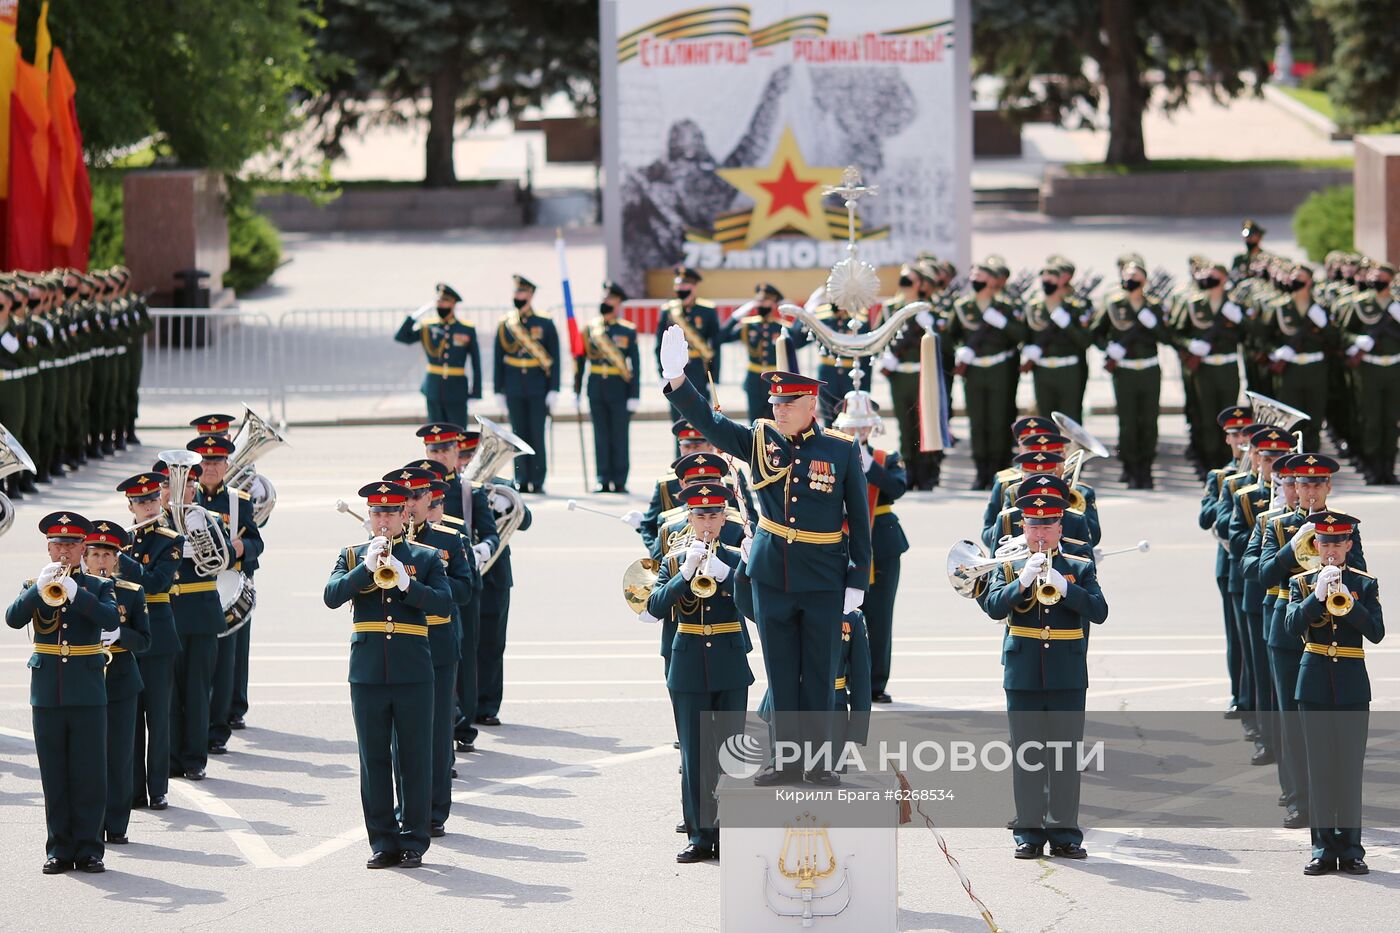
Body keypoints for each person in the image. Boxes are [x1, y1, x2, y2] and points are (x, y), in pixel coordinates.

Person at [661, 327, 871, 786]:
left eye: (787, 405)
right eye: (774, 404)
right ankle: (784, 760)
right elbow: (712, 425)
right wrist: (678, 380)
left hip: (823, 577)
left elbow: (859, 518)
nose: (778, 411)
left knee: (817, 673)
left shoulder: (838, 449)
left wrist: (858, 581)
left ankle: (818, 763)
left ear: (810, 405)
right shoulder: (760, 441)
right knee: (780, 671)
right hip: (772, 573)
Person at [324, 481, 453, 869]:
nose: (383, 520)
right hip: (367, 673)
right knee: (373, 759)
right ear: (369, 516)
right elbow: (331, 595)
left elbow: (444, 605)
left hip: (413, 670)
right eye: (376, 513)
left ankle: (414, 839)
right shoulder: (351, 555)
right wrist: (364, 572)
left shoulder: (426, 557)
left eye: (390, 513)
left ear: (403, 516)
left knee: (414, 757)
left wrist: (407, 584)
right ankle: (382, 841)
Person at [975, 491, 1106, 859]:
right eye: (1034, 525)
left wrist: (1066, 587)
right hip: (1023, 672)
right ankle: (1029, 833)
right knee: (1028, 755)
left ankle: (1065, 833)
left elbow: (1099, 611)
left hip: (1066, 673)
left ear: (1060, 527)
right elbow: (991, 605)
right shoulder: (1009, 564)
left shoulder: (1079, 566)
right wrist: (1021, 581)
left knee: (1065, 756)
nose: (1041, 533)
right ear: (1024, 527)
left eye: (1048, 525)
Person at [641, 482, 753, 863]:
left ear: (725, 519)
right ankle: (699, 835)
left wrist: (728, 574)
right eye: (699, 515)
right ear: (688, 518)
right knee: (694, 754)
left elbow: (756, 606)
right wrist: (684, 573)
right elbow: (653, 606)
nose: (706, 522)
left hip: (730, 658)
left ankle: (730, 829)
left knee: (730, 751)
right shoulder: (674, 559)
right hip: (687, 662)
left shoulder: (741, 557)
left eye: (713, 515)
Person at [5, 512, 120, 874]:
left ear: (84, 548)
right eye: (59, 545)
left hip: (87, 691)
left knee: (89, 773)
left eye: (72, 545)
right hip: (47, 693)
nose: (65, 552)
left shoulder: (99, 587)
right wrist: (36, 590)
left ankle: (89, 849)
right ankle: (58, 848)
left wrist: (77, 594)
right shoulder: (36, 584)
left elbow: (111, 620)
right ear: (49, 548)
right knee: (53, 774)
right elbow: (12, 618)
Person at [1283, 512, 1382, 876]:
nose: (1331, 549)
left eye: (1338, 542)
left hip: (1353, 683)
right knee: (1320, 768)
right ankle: (1323, 848)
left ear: (1349, 546)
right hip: (1314, 683)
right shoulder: (1302, 583)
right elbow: (1291, 626)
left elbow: (1376, 632)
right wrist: (1317, 596)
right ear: (1317, 545)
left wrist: (1350, 603)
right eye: (1325, 542)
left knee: (1349, 769)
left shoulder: (1365, 584)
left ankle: (1352, 848)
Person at [394, 467, 476, 837]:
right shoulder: (385, 543)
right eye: (405, 499)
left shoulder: (450, 539)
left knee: (438, 732)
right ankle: (404, 808)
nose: (410, 505)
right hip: (397, 645)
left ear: (431, 500)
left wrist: (428, 582)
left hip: (438, 644)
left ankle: (434, 811)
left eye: (417, 497)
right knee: (400, 734)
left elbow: (465, 590)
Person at [186, 430, 265, 754]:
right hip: (192, 590)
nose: (211, 466)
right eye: (205, 461)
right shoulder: (185, 498)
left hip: (226, 588)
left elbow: (256, 542)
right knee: (193, 665)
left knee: (224, 662)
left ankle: (218, 731)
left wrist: (240, 547)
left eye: (217, 461)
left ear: (226, 463)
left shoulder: (238, 500)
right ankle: (192, 727)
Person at [832, 392, 907, 705]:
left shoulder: (885, 457)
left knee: (879, 615)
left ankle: (876, 682)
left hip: (883, 542)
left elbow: (898, 487)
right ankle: (841, 677)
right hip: (842, 540)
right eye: (851, 428)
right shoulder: (830, 455)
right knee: (841, 614)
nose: (856, 434)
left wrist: (869, 467)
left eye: (861, 429)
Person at [119, 470, 184, 812]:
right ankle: (132, 789)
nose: (147, 506)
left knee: (158, 717)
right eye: (139, 501)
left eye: (151, 499)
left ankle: (158, 788)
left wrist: (121, 560)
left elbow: (157, 583)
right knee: (129, 718)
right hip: (126, 637)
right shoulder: (117, 539)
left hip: (158, 635)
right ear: (129, 505)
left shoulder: (170, 538)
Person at [86, 519, 151, 846]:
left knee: (120, 755)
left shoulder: (132, 592)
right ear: (85, 558)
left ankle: (117, 824)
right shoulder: (77, 592)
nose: (100, 561)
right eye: (94, 554)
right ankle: (92, 826)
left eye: (106, 555)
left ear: (117, 559)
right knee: (89, 758)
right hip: (85, 682)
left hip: (122, 682)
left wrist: (119, 634)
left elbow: (145, 641)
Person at [167, 459, 232, 783]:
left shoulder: (210, 518)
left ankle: (194, 758)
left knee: (196, 691)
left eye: (189, 485)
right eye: (173, 485)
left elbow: (225, 559)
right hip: (168, 615)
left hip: (202, 613)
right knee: (170, 693)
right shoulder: (153, 524)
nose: (182, 490)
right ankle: (172, 757)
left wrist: (200, 533)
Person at [945, 259, 1025, 489]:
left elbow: (1020, 335)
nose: (975, 281)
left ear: (991, 281)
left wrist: (1003, 323)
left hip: (999, 369)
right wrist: (961, 350)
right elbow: (950, 337)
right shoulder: (963, 306)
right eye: (973, 277)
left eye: (980, 277)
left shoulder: (1005, 306)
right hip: (975, 370)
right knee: (978, 421)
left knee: (999, 420)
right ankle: (981, 471)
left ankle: (1000, 472)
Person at [1091, 261, 1169, 489]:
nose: (1129, 279)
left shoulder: (1154, 306)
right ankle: (1130, 467)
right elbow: (1096, 333)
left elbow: (1167, 337)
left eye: (1134, 275)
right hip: (1125, 370)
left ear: (1144, 280)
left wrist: (1154, 324)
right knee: (1128, 422)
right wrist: (1109, 347)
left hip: (1149, 369)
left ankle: (1146, 468)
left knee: (1149, 421)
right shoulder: (1115, 305)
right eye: (1126, 275)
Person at [1201, 406, 1254, 719]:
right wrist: (1228, 492)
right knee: (1237, 635)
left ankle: (1258, 697)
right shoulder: (1221, 476)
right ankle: (1240, 695)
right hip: (1230, 563)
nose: (1241, 440)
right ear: (1227, 439)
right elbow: (1205, 518)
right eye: (1235, 435)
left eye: (1246, 433)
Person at [1172, 261, 1246, 472]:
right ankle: (1208, 464)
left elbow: (1251, 335)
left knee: (1229, 418)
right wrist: (1190, 345)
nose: (1208, 280)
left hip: (1227, 367)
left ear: (1223, 279)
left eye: (1213, 275)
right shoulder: (1195, 303)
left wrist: (1241, 320)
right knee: (1207, 417)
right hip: (1205, 369)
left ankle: (1230, 461)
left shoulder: (1233, 304)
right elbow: (1177, 333)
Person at [879, 260, 943, 490]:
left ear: (921, 284)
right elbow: (879, 336)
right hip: (899, 374)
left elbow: (942, 345)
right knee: (905, 426)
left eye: (910, 279)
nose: (905, 283)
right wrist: (884, 355)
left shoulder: (928, 309)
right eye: (903, 277)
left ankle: (927, 473)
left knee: (923, 425)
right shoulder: (890, 308)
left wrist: (931, 327)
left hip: (922, 375)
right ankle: (909, 473)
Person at [492, 275, 560, 493]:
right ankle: (521, 477)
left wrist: (554, 388)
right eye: (516, 293)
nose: (518, 297)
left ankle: (538, 479)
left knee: (536, 434)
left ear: (530, 295)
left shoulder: (545, 322)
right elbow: (498, 358)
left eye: (522, 293)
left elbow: (554, 358)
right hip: (513, 387)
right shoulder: (506, 324)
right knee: (517, 435)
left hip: (537, 386)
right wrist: (498, 390)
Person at [574, 281, 640, 492]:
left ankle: (620, 480)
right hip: (596, 386)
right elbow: (580, 360)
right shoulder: (590, 329)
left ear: (618, 302)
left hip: (619, 387)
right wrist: (576, 388)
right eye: (604, 296)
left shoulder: (627, 330)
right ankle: (602, 478)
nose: (605, 300)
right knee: (600, 434)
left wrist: (634, 394)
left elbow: (635, 365)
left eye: (610, 297)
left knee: (619, 435)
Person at [1338, 261, 1400, 484]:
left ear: (1391, 280)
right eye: (1374, 276)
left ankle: (1388, 470)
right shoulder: (1360, 304)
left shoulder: (1396, 306)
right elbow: (1344, 334)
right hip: (1370, 368)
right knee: (1371, 420)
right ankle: (1373, 469)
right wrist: (1357, 340)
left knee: (1391, 421)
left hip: (1394, 367)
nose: (1377, 280)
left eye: (1382, 277)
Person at [1262, 263, 1332, 453]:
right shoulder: (1280, 308)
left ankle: (1311, 463)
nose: (1294, 280)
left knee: (1314, 420)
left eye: (1299, 277)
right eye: (1292, 276)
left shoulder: (1320, 308)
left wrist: (1325, 324)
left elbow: (1335, 340)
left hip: (1314, 368)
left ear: (1309, 282)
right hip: (1290, 370)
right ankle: (1290, 463)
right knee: (1290, 421)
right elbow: (1264, 338)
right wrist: (1276, 352)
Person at [394, 283, 482, 426]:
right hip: (433, 388)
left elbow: (476, 362)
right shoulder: (428, 327)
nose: (440, 305)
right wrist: (414, 317)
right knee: (436, 435)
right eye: (439, 301)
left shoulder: (466, 329)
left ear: (453, 304)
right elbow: (401, 337)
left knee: (458, 433)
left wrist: (476, 391)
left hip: (457, 389)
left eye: (444, 301)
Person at [1020, 259, 1093, 424]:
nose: (1047, 281)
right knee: (1045, 419)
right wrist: (1027, 349)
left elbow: (1085, 341)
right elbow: (1023, 336)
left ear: (1061, 281)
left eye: (1052, 277)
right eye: (1044, 277)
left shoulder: (1074, 307)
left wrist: (1068, 325)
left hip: (1068, 369)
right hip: (1043, 370)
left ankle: (1071, 451)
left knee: (1069, 419)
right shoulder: (1034, 307)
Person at [785, 289, 871, 425]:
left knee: (852, 423)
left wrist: (865, 388)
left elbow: (866, 355)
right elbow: (796, 341)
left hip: (852, 378)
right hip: (828, 376)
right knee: (829, 423)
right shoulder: (820, 315)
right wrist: (806, 312)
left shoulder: (860, 317)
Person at [718, 282, 787, 422]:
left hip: (775, 380)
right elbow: (721, 337)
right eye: (759, 301)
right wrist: (736, 316)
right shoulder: (747, 326)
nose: (761, 305)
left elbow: (799, 340)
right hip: (754, 380)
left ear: (774, 304)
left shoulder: (782, 327)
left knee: (776, 422)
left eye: (765, 301)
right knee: (755, 423)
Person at [655, 265, 719, 392]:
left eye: (685, 286)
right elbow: (659, 346)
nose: (681, 289)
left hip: (699, 368)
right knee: (676, 409)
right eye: (678, 285)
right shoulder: (668, 311)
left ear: (694, 287)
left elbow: (715, 345)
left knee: (700, 410)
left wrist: (713, 377)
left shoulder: (707, 311)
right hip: (675, 369)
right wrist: (661, 372)